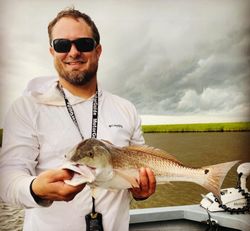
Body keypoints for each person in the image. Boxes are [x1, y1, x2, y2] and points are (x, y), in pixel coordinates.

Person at [0, 8, 156, 231]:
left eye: (83, 43)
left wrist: (141, 191)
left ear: (98, 50)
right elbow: (7, 176)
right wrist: (34, 188)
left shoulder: (126, 109)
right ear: (52, 51)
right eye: (62, 45)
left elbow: (141, 168)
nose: (73, 52)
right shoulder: (26, 108)